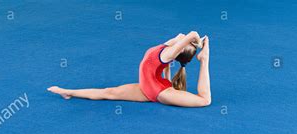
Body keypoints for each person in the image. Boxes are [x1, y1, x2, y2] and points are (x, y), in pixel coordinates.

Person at [47, 31, 211, 107]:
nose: (181, 39)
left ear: (180, 50)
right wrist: (193, 43)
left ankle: (204, 60)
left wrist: (200, 43)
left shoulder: (168, 53)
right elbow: (182, 36)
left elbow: (191, 34)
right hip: (148, 87)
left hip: (160, 92)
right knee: (108, 92)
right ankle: (68, 91)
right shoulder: (168, 46)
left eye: (185, 44)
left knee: (205, 100)